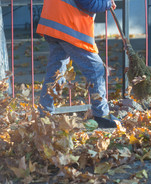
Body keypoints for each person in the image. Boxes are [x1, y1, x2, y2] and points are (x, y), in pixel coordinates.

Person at [36, 0, 119, 128]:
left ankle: (45, 114)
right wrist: (107, 3)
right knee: (95, 69)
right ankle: (101, 115)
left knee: (56, 72)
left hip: (54, 23)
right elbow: (88, 3)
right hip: (70, 26)